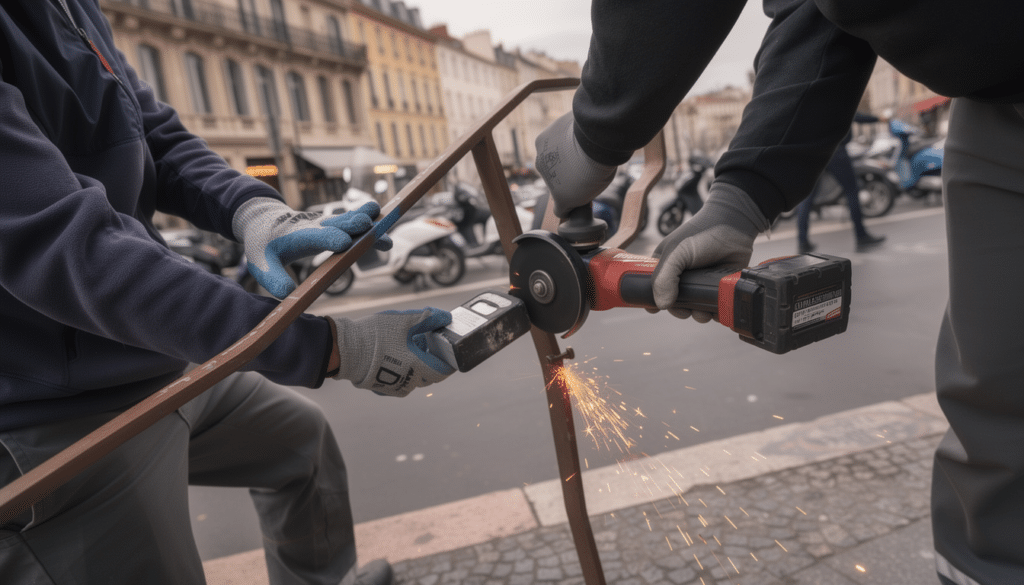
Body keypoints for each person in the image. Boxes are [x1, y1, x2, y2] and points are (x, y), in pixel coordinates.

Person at [534, 1, 1024, 583]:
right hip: (999, 97)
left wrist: (596, 130)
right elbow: (822, 10)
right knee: (998, 423)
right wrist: (742, 197)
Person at [0, 1, 454, 583]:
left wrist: (254, 209)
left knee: (301, 446)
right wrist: (329, 348)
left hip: (145, 361)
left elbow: (152, 131)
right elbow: (70, 248)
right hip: (47, 410)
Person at [797, 113, 886, 254]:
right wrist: (878, 118)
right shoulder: (833, 94)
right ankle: (861, 235)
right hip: (835, 150)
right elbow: (853, 114)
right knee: (852, 191)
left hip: (814, 151)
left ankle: (802, 241)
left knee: (808, 197)